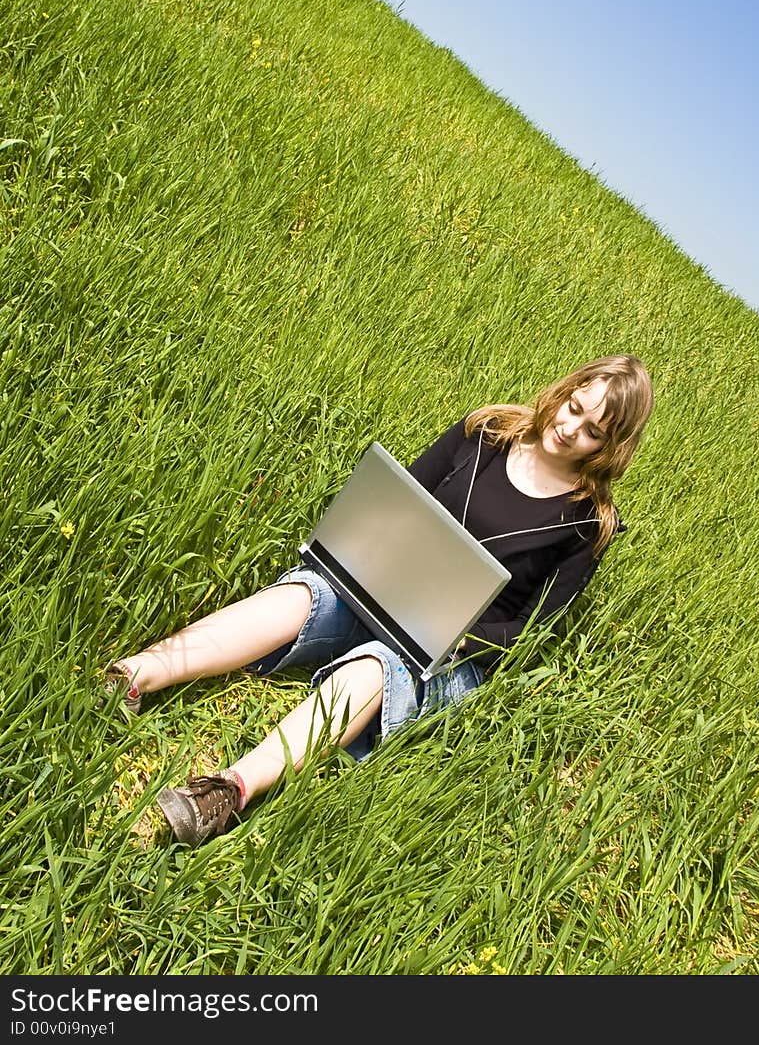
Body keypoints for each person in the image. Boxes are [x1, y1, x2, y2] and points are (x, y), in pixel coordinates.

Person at [105, 354, 653, 847]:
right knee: (302, 596)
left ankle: (227, 792)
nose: (568, 428)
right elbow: (400, 496)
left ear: (611, 448)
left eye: (591, 432)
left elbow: (536, 631)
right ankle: (133, 675)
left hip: (449, 652)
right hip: (379, 591)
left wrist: (460, 630)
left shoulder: (586, 523)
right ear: (563, 390)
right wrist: (357, 547)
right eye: (574, 407)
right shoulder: (484, 432)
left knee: (375, 667)